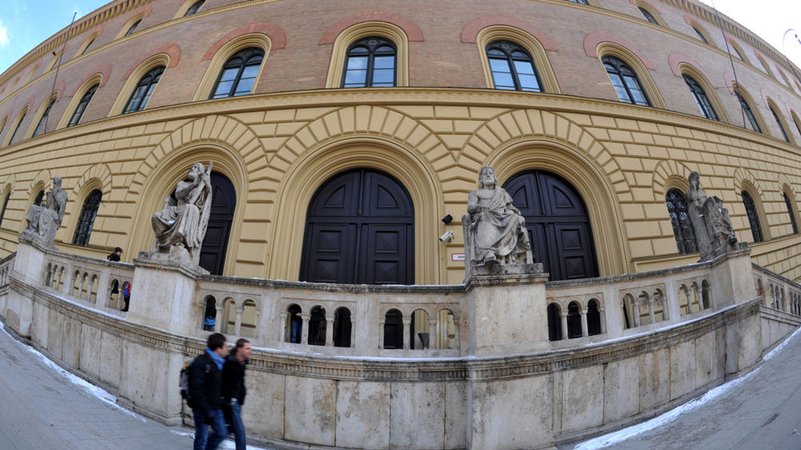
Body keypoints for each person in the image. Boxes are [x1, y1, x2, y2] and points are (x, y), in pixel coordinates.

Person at [465, 166, 531, 266]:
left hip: (502, 216)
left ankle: (507, 252)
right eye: (485, 173)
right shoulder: (475, 193)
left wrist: (516, 212)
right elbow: (470, 207)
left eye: (490, 173)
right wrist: (481, 207)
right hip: (485, 215)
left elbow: (510, 207)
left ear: (494, 177)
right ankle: (488, 253)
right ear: (480, 179)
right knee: (483, 217)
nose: (488, 175)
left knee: (516, 218)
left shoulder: (502, 192)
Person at [151, 162, 213, 264]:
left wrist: (207, 185)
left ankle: (180, 241)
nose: (192, 168)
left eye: (196, 168)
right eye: (192, 167)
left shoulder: (202, 188)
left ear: (201, 173)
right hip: (177, 210)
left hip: (191, 212)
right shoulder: (182, 183)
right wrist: (193, 185)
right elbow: (179, 194)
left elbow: (206, 202)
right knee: (156, 217)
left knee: (190, 208)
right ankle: (162, 241)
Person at [189, 333, 229, 450]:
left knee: (222, 433)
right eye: (225, 346)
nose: (227, 349)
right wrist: (206, 410)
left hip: (216, 407)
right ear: (218, 348)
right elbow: (196, 389)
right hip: (202, 409)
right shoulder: (201, 362)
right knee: (202, 438)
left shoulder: (220, 363)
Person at [222, 338, 252, 450]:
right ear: (240, 349)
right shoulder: (230, 362)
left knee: (227, 430)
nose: (250, 351)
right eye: (247, 348)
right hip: (231, 402)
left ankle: (208, 440)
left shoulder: (242, 362)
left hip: (237, 401)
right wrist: (229, 400)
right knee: (239, 432)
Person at [24, 176, 68, 246]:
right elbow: (49, 204)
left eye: (56, 183)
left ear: (59, 183)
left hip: (54, 213)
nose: (54, 184)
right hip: (48, 209)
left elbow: (61, 207)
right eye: (54, 182)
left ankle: (41, 234)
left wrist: (55, 194)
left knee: (45, 212)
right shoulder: (52, 191)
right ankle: (30, 228)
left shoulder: (63, 194)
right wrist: (45, 204)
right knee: (33, 207)